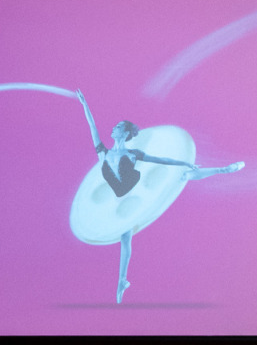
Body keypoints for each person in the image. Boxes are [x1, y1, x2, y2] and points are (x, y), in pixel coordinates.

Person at [75, 89, 243, 303]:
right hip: (122, 198)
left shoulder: (132, 154)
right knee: (125, 238)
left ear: (125, 133)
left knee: (183, 175)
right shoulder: (104, 153)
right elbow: (92, 127)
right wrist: (84, 105)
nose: (113, 128)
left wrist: (184, 162)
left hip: (137, 189)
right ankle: (122, 281)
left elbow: (162, 160)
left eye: (118, 126)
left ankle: (224, 169)